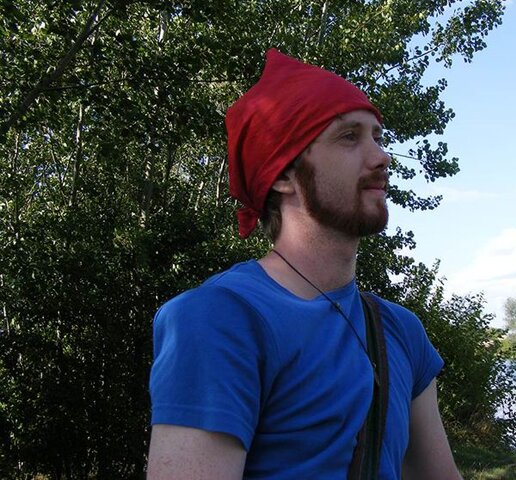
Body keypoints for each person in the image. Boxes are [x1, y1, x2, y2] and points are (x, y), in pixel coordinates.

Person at [147, 49, 461, 480]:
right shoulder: (219, 320)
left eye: (377, 137)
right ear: (283, 175)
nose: (382, 157)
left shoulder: (399, 330)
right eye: (349, 137)